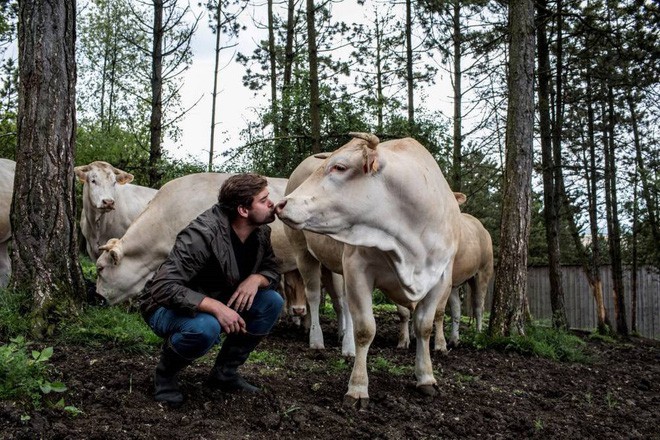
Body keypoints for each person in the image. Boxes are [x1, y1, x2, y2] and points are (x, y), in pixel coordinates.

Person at [138, 173, 284, 408]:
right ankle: (165, 377)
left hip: (216, 300)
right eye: (263, 199)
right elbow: (163, 287)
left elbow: (272, 268)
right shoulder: (201, 234)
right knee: (206, 326)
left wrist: (256, 279)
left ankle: (225, 373)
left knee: (271, 301)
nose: (271, 203)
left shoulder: (260, 232)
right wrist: (215, 307)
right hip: (163, 307)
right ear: (243, 210)